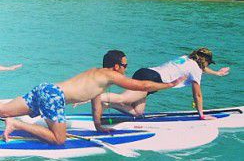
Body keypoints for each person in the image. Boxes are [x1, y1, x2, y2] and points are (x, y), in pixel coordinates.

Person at [0, 50, 184, 145]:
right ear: (115, 65)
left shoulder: (99, 77)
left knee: (2, 109)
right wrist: (170, 84)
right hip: (54, 97)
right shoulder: (111, 74)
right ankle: (17, 124)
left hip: (45, 88)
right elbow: (140, 84)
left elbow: (96, 100)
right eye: (124, 64)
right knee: (59, 140)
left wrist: (99, 126)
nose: (126, 68)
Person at [98, 48, 230, 118]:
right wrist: (201, 115)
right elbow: (198, 95)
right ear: (204, 61)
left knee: (137, 112)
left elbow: (202, 68)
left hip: (146, 72)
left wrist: (217, 73)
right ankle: (94, 97)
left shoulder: (186, 59)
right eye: (208, 63)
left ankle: (107, 104)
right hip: (152, 79)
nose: (207, 66)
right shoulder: (195, 68)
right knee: (124, 98)